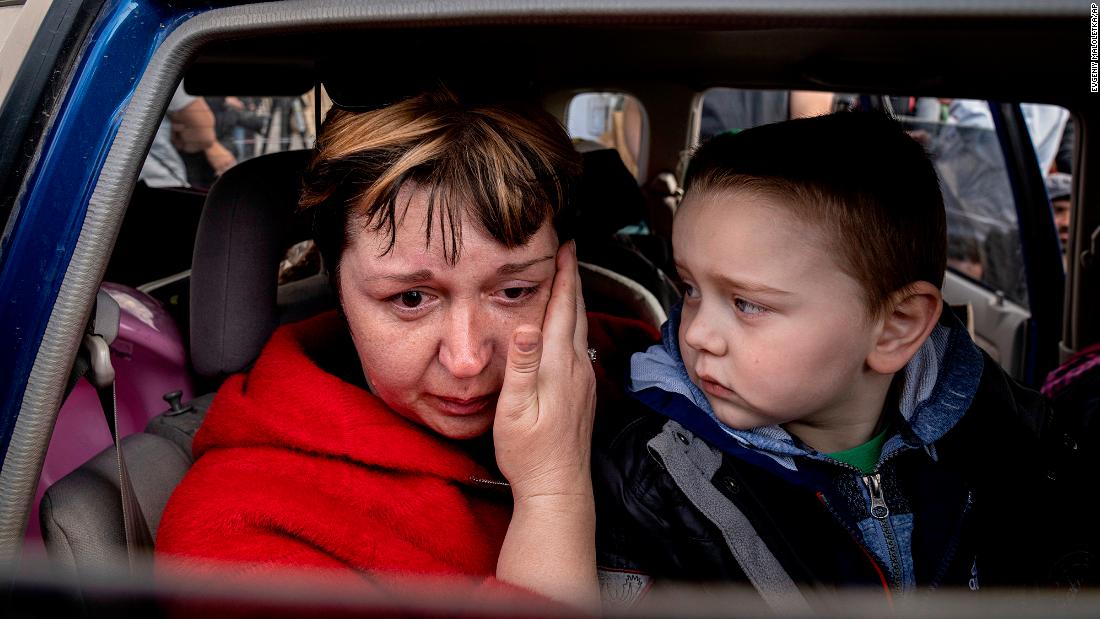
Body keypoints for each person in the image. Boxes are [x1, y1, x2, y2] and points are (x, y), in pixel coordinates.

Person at [155, 88, 655, 609]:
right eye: (410, 298)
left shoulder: (646, 374)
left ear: (563, 272)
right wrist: (553, 493)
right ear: (336, 282)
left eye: (514, 291)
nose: (467, 359)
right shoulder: (238, 532)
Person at [594, 112, 1087, 611]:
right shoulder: (647, 477)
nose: (695, 332)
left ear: (895, 327)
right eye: (691, 289)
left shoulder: (1016, 437)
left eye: (748, 303)